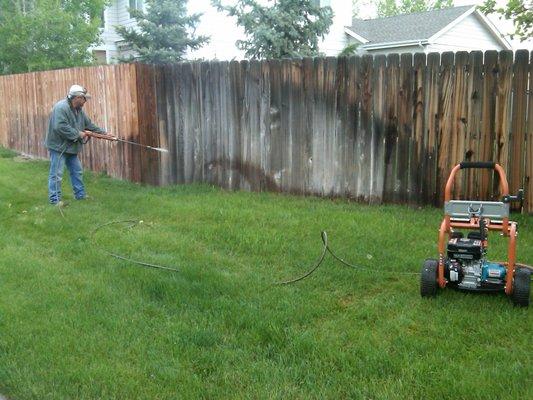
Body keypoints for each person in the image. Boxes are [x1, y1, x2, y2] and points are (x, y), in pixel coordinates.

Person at [45, 85, 114, 205]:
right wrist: (78, 133)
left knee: (77, 171)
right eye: (84, 98)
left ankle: (80, 195)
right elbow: (60, 127)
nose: (85, 101)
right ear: (77, 97)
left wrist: (106, 134)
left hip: (71, 147)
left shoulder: (79, 110)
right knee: (56, 174)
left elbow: (89, 125)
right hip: (58, 147)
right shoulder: (61, 107)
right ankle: (55, 200)